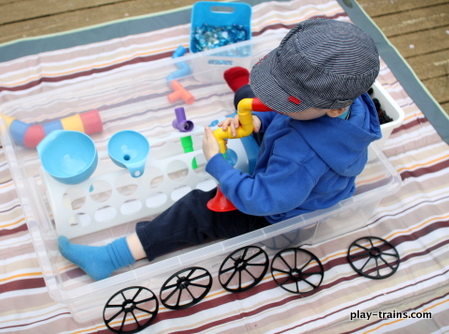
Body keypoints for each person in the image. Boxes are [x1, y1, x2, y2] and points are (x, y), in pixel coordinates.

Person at [58, 18, 382, 281]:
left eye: (288, 100)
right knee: (246, 103)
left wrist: (216, 162)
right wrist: (258, 121)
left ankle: (111, 257)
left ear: (335, 108)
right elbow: (293, 121)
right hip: (298, 177)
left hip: (277, 218)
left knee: (197, 210)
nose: (277, 102)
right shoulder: (352, 106)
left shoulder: (302, 158)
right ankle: (246, 94)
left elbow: (259, 200)